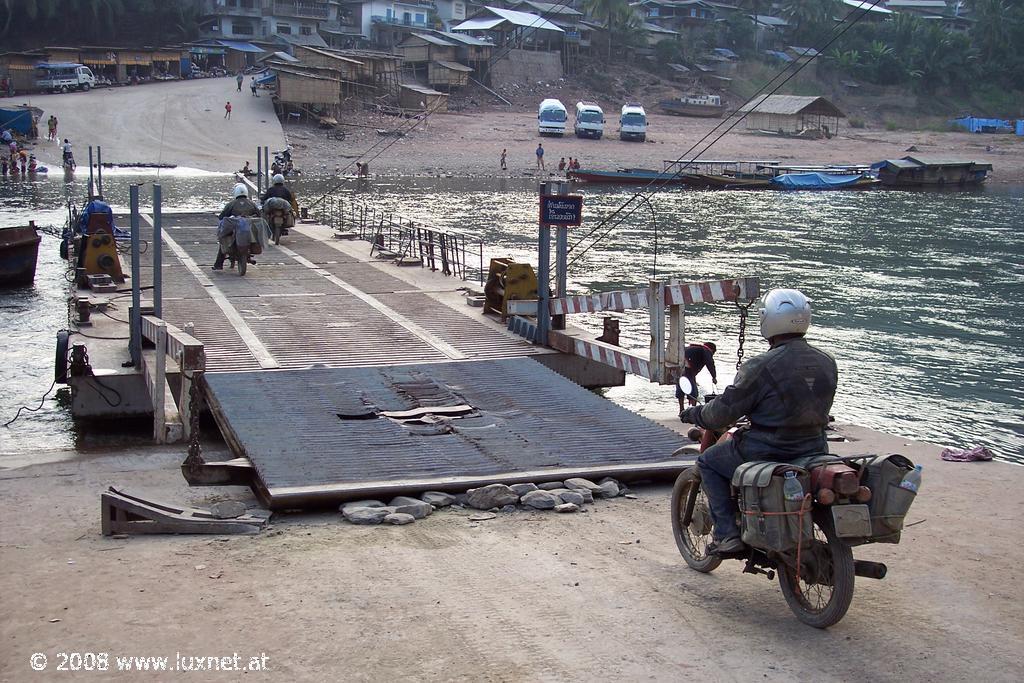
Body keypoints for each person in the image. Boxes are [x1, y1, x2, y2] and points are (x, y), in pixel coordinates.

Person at [679, 289, 838, 554]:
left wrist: (695, 414)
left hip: (767, 448)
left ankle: (727, 535)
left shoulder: (761, 365)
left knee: (708, 463)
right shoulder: (827, 361)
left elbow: (722, 413)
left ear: (768, 319)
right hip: (815, 447)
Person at [213, 183, 260, 270]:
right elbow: (259, 214)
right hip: (248, 228)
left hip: (235, 228)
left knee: (223, 240)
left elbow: (222, 216)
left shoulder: (232, 204)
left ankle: (219, 264)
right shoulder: (252, 203)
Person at [675, 342, 718, 410]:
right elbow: (710, 363)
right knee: (693, 391)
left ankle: (681, 409)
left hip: (678, 367)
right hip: (687, 368)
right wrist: (714, 377)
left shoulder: (695, 348)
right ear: (712, 350)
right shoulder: (707, 351)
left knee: (681, 387)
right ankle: (693, 410)